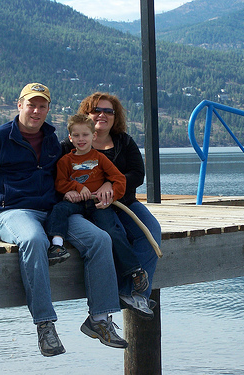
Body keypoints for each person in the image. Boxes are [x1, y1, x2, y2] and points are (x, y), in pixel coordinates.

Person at [0, 83, 128, 357]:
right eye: (31, 104)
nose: (36, 111)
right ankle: (45, 324)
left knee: (99, 239)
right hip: (9, 213)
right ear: (19, 105)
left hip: (51, 212)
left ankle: (99, 319)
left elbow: (77, 170)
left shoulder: (52, 139)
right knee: (34, 238)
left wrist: (99, 185)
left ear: (48, 109)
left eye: (42, 106)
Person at [61, 92, 162, 320]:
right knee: (114, 234)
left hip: (125, 202)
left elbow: (137, 174)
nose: (102, 115)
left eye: (109, 111)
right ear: (85, 114)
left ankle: (137, 295)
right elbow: (59, 176)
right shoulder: (72, 143)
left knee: (152, 232)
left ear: (115, 117)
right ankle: (125, 293)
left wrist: (111, 183)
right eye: (96, 110)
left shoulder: (124, 141)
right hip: (93, 207)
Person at [45, 114, 149, 295]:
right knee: (58, 210)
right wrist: (75, 188)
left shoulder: (100, 159)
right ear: (70, 138)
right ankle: (57, 245)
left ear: (93, 136)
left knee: (112, 231)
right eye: (76, 136)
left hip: (98, 203)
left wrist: (110, 196)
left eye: (85, 135)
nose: (81, 139)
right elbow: (59, 183)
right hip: (77, 203)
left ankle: (135, 270)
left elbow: (119, 180)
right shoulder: (65, 161)